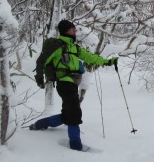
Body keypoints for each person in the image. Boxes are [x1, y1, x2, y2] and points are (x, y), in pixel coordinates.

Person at [30, 19, 118, 150]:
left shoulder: (74, 48)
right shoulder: (57, 46)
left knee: (67, 115)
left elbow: (90, 57)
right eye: (72, 29)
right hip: (64, 83)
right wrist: (39, 78)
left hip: (73, 83)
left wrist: (107, 62)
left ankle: (39, 124)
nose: (75, 31)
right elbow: (41, 61)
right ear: (66, 30)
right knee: (75, 113)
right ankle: (76, 145)